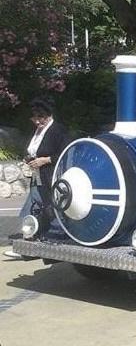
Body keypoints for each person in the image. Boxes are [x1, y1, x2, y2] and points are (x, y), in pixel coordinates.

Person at [4, 99, 70, 259]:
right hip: (38, 176)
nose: (37, 121)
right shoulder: (38, 131)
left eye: (41, 117)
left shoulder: (57, 130)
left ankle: (54, 237)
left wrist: (46, 160)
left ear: (49, 116)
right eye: (35, 118)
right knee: (32, 206)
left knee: (51, 205)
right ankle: (26, 241)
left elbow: (66, 152)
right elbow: (34, 150)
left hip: (52, 175)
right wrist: (29, 158)